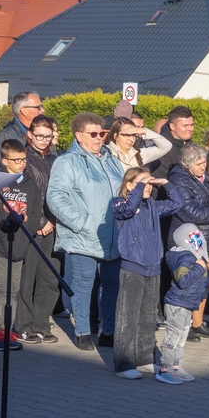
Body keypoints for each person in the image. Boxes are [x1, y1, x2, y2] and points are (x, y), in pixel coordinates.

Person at [47, 112, 125, 350]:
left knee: (112, 286)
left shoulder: (111, 160)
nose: (99, 138)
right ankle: (82, 332)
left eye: (102, 133)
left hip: (112, 236)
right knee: (83, 285)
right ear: (79, 136)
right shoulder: (67, 162)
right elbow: (55, 198)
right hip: (83, 237)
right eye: (93, 134)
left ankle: (108, 331)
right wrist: (83, 223)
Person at [111, 168, 183, 378]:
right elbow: (127, 208)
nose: (148, 187)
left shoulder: (152, 205)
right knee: (128, 317)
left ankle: (143, 359)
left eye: (150, 184)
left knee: (148, 317)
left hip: (153, 268)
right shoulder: (118, 203)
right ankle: (123, 364)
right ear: (129, 185)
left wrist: (166, 183)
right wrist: (141, 183)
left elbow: (177, 203)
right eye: (143, 183)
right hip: (132, 267)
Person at [0, 140, 40, 351]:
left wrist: (25, 233)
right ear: (5, 160)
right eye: (16, 160)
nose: (22, 163)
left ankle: (7, 330)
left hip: (19, 244)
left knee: (13, 291)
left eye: (24, 159)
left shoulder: (30, 184)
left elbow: (34, 213)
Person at [167, 144, 209, 339]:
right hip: (189, 242)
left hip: (206, 238)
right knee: (190, 283)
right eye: (199, 163)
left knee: (204, 285)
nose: (203, 166)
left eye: (204, 162)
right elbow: (189, 212)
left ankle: (198, 324)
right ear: (186, 164)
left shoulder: (203, 179)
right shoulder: (179, 180)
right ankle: (185, 324)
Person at [16, 115, 60, 344]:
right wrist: (41, 221)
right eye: (39, 136)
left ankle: (42, 323)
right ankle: (23, 325)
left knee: (50, 278)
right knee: (28, 278)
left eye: (48, 136)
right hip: (32, 226)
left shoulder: (56, 159)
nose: (44, 140)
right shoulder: (25, 159)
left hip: (54, 226)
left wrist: (53, 221)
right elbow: (25, 194)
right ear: (30, 135)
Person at [160, 223, 209, 384]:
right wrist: (198, 267)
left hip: (188, 306)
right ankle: (165, 369)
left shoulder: (198, 259)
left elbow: (205, 283)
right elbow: (183, 281)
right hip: (177, 305)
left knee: (181, 339)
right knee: (172, 338)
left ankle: (176, 366)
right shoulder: (184, 257)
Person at [107, 117, 172, 171]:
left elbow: (166, 146)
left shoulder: (138, 154)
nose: (131, 139)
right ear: (115, 136)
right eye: (127, 135)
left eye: (133, 135)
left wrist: (144, 131)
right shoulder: (106, 154)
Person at [150, 106, 195, 183]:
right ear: (172, 126)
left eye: (191, 125)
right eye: (185, 126)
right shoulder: (161, 150)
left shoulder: (191, 146)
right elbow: (160, 182)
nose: (190, 129)